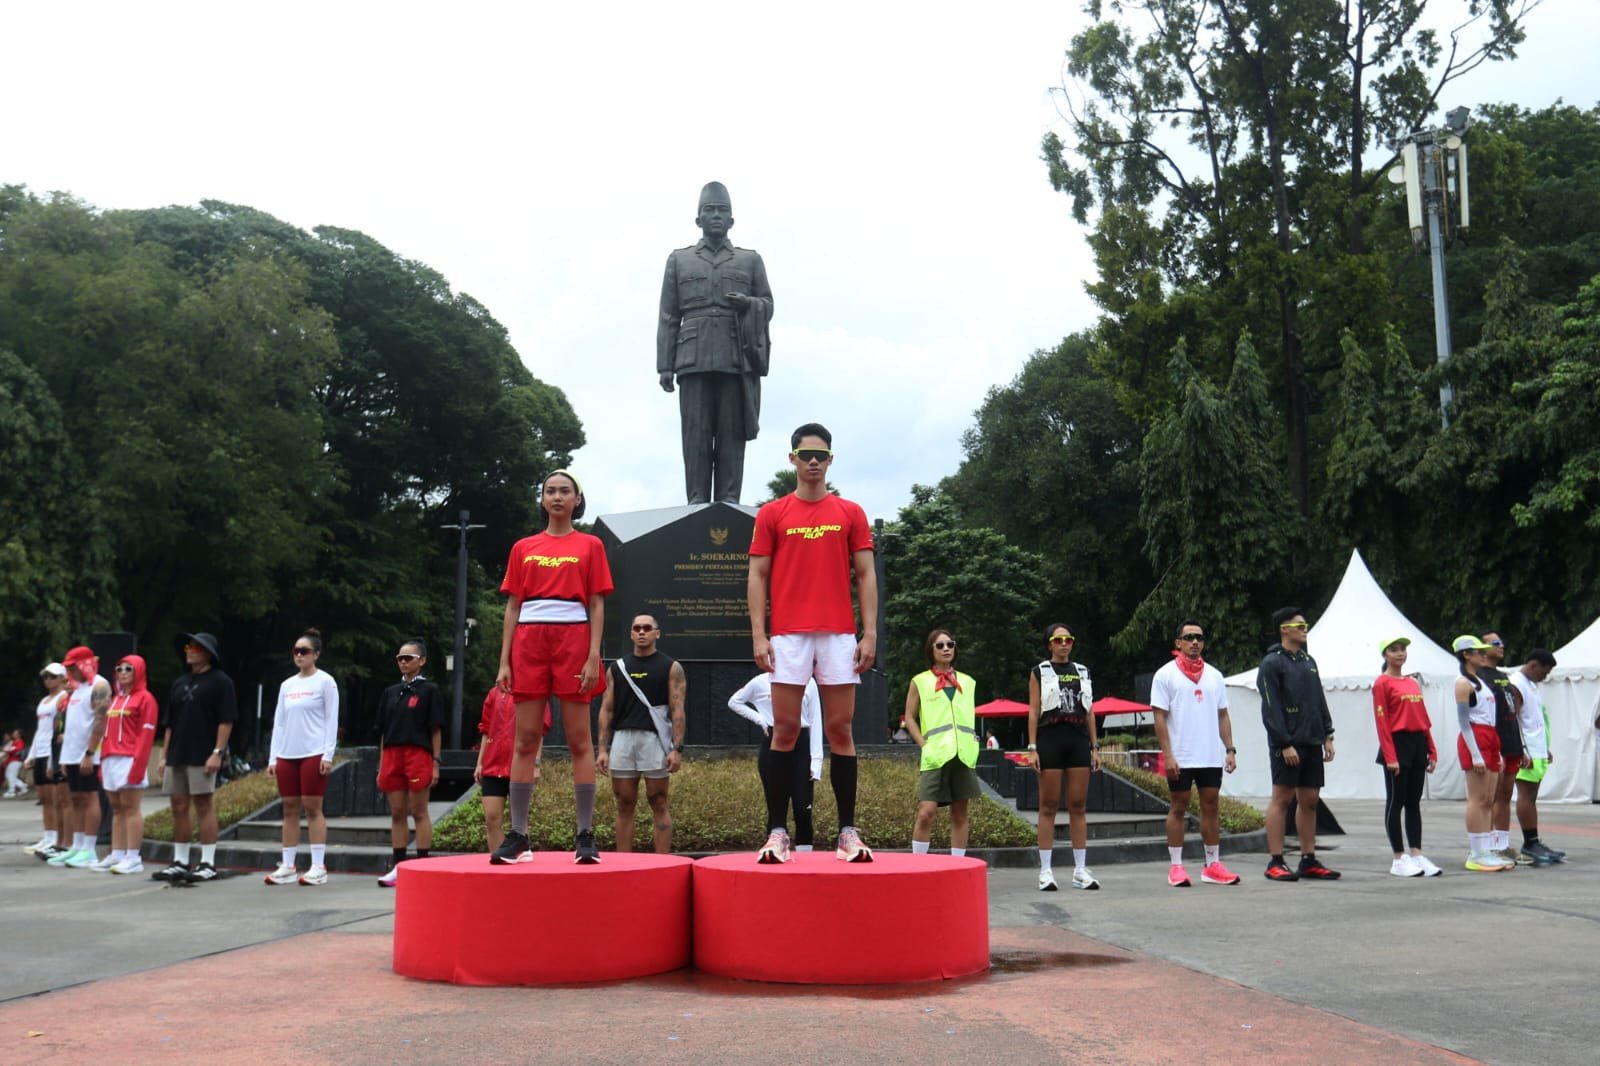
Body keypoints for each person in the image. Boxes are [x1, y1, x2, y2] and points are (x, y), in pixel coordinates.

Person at [747, 424, 878, 864]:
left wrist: (870, 632)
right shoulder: (773, 514)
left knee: (840, 729)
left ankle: (847, 833)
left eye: (821, 455)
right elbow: (757, 576)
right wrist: (759, 634)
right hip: (788, 634)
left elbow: (865, 574)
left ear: (830, 460)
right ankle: (777, 832)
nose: (814, 462)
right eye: (806, 455)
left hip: (838, 632)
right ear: (793, 459)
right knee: (785, 729)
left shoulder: (850, 512)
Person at [491, 470, 613, 866]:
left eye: (565, 491)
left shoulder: (590, 544)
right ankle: (519, 835)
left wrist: (593, 654)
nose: (557, 496)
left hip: (573, 641)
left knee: (579, 740)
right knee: (525, 740)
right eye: (550, 491)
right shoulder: (523, 547)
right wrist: (505, 660)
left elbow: (596, 603)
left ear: (578, 499)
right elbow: (513, 605)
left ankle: (585, 835)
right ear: (542, 499)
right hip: (529, 644)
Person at [657, 181, 774, 505]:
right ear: (698, 219)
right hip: (692, 358)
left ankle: (728, 501)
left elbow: (768, 304)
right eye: (709, 210)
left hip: (735, 357)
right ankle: (696, 502)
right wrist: (665, 365)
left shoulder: (750, 260)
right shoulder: (679, 260)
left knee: (731, 435)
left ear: (732, 220)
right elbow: (668, 315)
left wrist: (749, 303)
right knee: (694, 434)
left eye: (722, 210)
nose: (716, 216)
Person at [1150, 620, 1240, 887]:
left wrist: (1230, 749)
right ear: (1178, 642)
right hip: (1180, 754)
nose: (1194, 642)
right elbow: (1159, 717)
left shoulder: (1215, 676)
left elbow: (1223, 715)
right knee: (1179, 806)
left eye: (1199, 638)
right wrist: (1168, 754)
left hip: (1209, 754)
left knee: (1211, 806)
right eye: (1189, 637)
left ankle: (1212, 865)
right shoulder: (1165, 675)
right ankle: (1176, 866)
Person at [1257, 607, 1339, 882]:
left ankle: (1308, 859)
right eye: (1299, 625)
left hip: (1312, 739)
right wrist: (1284, 743)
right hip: (1288, 743)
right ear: (1284, 629)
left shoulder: (1308, 661)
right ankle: (1275, 860)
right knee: (1282, 798)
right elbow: (1271, 707)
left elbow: (1318, 698)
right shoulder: (1272, 663)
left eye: (1305, 625)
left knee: (1310, 800)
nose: (1305, 629)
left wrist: (1327, 733)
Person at [596, 615, 687, 853]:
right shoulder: (617, 668)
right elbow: (606, 709)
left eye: (647, 628)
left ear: (657, 633)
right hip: (623, 740)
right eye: (637, 628)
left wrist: (677, 749)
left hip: (654, 740)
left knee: (659, 801)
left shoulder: (671, 667)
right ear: (631, 634)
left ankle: (663, 862)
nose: (642, 632)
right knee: (624, 803)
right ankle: (624, 863)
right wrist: (603, 749)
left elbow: (677, 709)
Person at [154, 633, 237, 883]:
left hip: (203, 753)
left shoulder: (221, 681)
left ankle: (208, 862)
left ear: (208, 653)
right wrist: (164, 755)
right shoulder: (180, 682)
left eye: (196, 647)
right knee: (178, 806)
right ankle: (180, 860)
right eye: (188, 647)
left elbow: (226, 720)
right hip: (177, 753)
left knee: (203, 805)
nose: (189, 651)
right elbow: (170, 723)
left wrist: (217, 753)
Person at [264, 630, 340, 887]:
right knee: (289, 808)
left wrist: (328, 754)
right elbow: (279, 722)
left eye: (304, 651)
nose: (299, 655)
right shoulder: (287, 685)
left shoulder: (325, 682)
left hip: (313, 752)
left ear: (315, 654)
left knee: (312, 807)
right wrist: (273, 757)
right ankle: (287, 865)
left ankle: (318, 866)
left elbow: (332, 719)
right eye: (296, 651)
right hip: (287, 753)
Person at [1028, 623, 1100, 891]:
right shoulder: (1040, 671)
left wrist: (1095, 746)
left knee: (1078, 805)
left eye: (1068, 639)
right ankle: (1045, 870)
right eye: (1058, 640)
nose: (1063, 644)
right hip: (1050, 739)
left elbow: (1089, 710)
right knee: (1048, 805)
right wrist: (1032, 747)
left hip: (1077, 739)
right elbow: (1033, 710)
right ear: (1049, 644)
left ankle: (1080, 870)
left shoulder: (1082, 671)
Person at [904, 629, 980, 858]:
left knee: (960, 814)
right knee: (926, 812)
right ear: (931, 651)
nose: (946, 648)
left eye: (950, 644)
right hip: (935, 755)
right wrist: (923, 745)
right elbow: (909, 718)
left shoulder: (968, 682)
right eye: (940, 645)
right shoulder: (920, 681)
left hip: (963, 753)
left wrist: (973, 741)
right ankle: (918, 865)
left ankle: (958, 865)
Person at [727, 672, 823, 852]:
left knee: (803, 809)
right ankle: (776, 853)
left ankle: (806, 858)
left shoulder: (808, 681)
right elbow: (734, 701)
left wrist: (816, 761)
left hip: (801, 746)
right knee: (776, 809)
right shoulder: (760, 681)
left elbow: (815, 720)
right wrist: (760, 719)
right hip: (773, 743)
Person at [375, 639, 443, 887]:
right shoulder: (390, 693)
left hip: (418, 754)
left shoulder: (429, 691)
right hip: (392, 754)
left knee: (419, 811)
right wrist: (382, 762)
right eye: (400, 658)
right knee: (397, 812)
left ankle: (422, 864)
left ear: (421, 661)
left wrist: (436, 762)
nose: (403, 662)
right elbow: (383, 731)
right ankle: (399, 865)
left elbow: (436, 729)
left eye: (408, 658)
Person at [1372, 637, 1442, 877]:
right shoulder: (1382, 683)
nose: (1400, 653)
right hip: (1397, 744)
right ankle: (1398, 858)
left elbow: (1423, 719)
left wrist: (1431, 749)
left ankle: (1416, 854)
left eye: (1402, 649)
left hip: (1417, 743)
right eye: (1394, 650)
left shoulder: (1412, 683)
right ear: (1385, 655)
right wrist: (1390, 756)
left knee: (1414, 802)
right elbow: (1382, 722)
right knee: (1396, 801)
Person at [1452, 635, 1514, 872]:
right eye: (1478, 651)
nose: (1482, 654)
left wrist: (1497, 752)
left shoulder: (1480, 681)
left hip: (1490, 736)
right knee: (1478, 799)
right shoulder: (1462, 683)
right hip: (1475, 737)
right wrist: (1476, 754)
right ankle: (1476, 853)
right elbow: (1464, 722)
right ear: (1466, 655)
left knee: (1489, 800)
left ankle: (1487, 850)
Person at [94, 655, 159, 874]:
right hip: (110, 758)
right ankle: (117, 853)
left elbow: (146, 735)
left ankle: (133, 857)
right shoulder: (115, 700)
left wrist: (138, 764)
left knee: (131, 808)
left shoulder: (146, 699)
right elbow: (106, 732)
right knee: (117, 809)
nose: (123, 672)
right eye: (119, 668)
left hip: (130, 758)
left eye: (128, 668)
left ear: (138, 671)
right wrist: (102, 761)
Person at [51, 646, 110, 869]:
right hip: (72, 753)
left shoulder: (100, 685)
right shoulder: (76, 688)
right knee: (75, 798)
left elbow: (100, 721)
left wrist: (90, 753)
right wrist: (65, 758)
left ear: (84, 664)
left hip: (88, 754)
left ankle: (89, 849)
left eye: (73, 667)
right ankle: (77, 845)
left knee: (89, 797)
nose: (71, 672)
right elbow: (73, 724)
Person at [1510, 649, 1564, 865]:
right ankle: (1530, 843)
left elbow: (1534, 719)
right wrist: (1521, 749)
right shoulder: (1516, 684)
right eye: (1544, 672)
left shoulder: (1531, 685)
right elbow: (1514, 719)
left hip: (1537, 749)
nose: (1545, 677)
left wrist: (1544, 747)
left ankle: (1534, 841)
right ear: (1533, 666)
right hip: (1527, 752)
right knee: (1525, 795)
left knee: (1532, 796)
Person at [474, 686, 543, 855]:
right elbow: (486, 729)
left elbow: (539, 730)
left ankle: (521, 857)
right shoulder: (494, 693)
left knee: (519, 819)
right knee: (491, 818)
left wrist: (536, 764)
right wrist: (480, 763)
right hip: (492, 765)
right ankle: (498, 858)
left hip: (520, 764)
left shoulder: (532, 689)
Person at [1481, 631, 1529, 865]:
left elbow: (1514, 712)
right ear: (1482, 648)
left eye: (1502, 642)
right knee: (1488, 797)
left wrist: (1523, 746)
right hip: (1493, 743)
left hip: (1512, 743)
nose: (1501, 646)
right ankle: (1486, 846)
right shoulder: (1478, 676)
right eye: (1496, 643)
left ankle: (1502, 844)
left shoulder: (1503, 676)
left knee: (1505, 795)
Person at [22, 664, 69, 858]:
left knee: (56, 799)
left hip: (52, 752)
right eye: (45, 677)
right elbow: (40, 730)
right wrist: (31, 755)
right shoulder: (43, 701)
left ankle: (57, 838)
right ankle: (48, 836)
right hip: (40, 751)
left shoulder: (63, 698)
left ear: (62, 678)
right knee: (44, 798)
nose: (48, 680)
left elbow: (58, 728)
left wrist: (53, 757)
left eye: (52, 676)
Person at [3, 729, 25, 797]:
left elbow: (17, 750)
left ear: (19, 735)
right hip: (10, 761)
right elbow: (6, 749)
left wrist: (10, 749)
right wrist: (10, 749)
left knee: (12, 776)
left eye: (15, 733)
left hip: (16, 761)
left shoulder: (20, 741)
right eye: (13, 733)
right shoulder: (13, 742)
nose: (13, 734)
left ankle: (11, 792)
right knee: (7, 775)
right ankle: (23, 786)